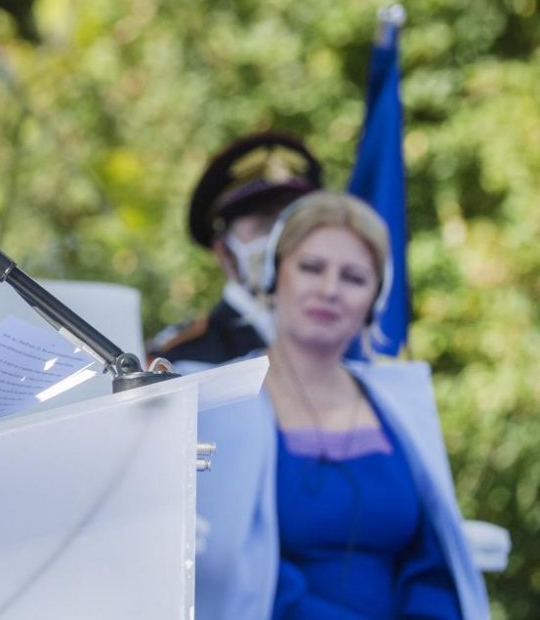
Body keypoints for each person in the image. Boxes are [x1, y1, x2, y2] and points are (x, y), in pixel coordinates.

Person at [195, 192, 489, 619]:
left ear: (375, 298)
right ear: (276, 276)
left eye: (353, 277)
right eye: (312, 268)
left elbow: (431, 558)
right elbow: (236, 567)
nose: (330, 290)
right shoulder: (224, 401)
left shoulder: (400, 403)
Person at [150, 131, 322, 366]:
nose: (282, 239)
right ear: (224, 252)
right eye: (264, 226)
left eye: (295, 223)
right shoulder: (180, 358)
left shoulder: (342, 337)